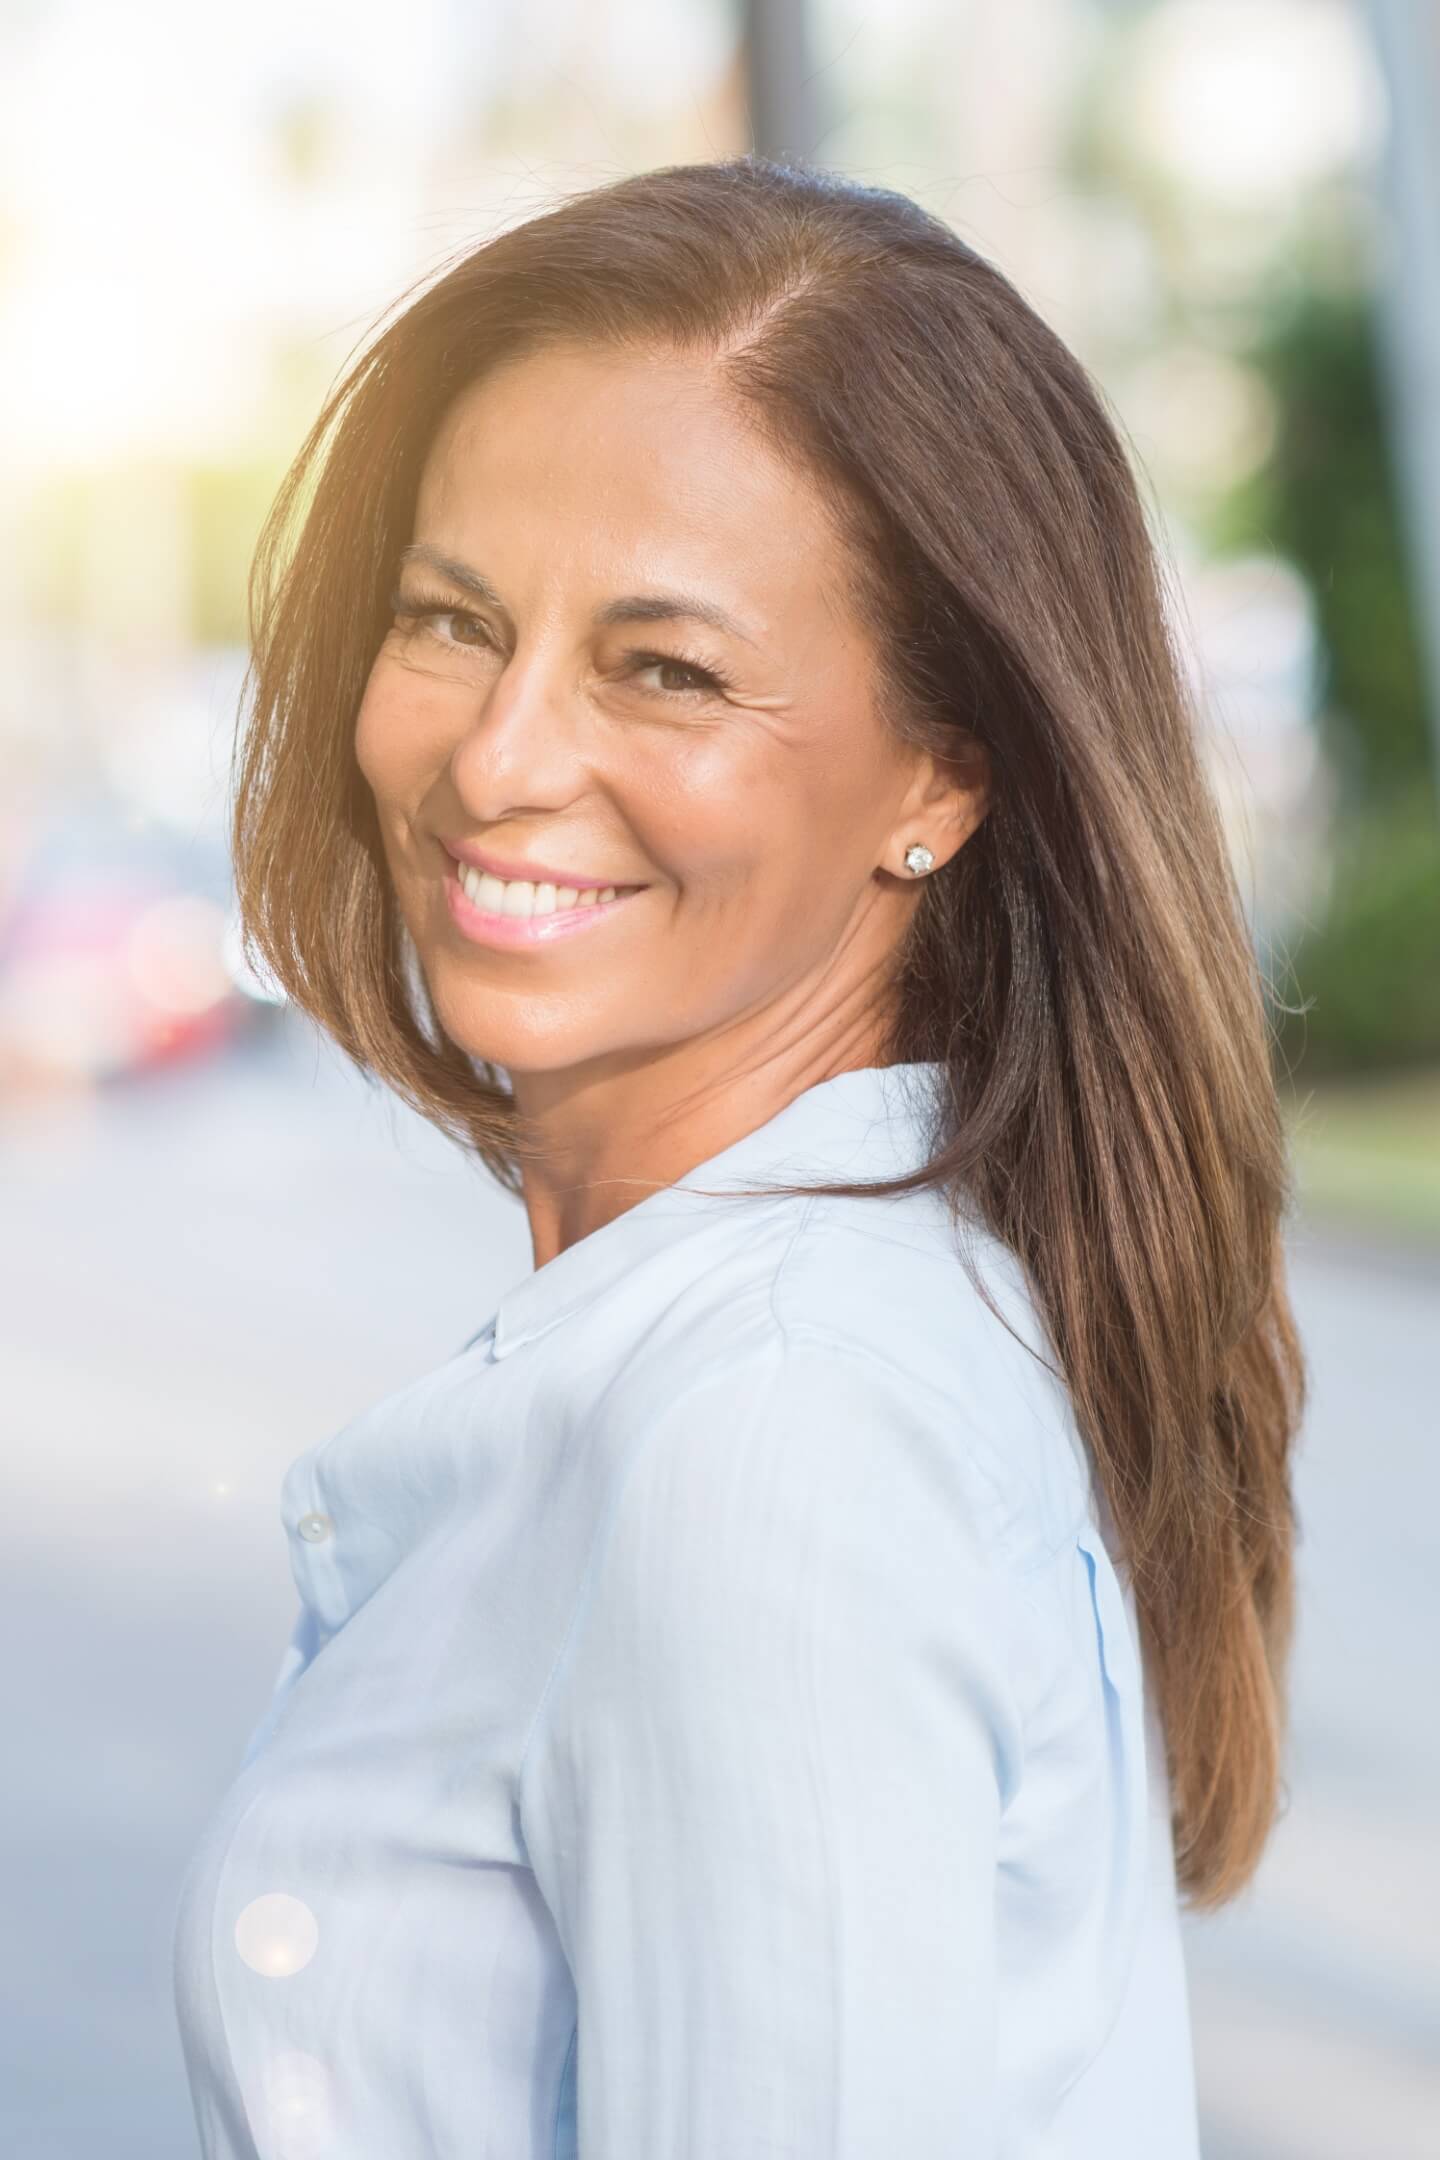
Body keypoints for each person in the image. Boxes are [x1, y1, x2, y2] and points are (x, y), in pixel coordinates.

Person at [171, 155, 1305, 2158]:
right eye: (451, 619)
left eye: (663, 667)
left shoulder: (767, 1438)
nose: (501, 756)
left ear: (941, 775)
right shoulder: (834, 1329)